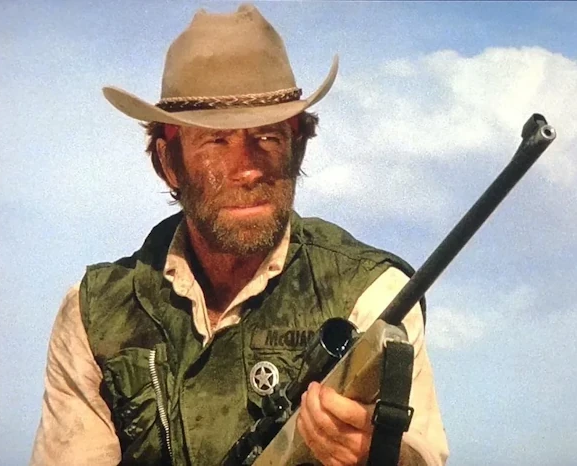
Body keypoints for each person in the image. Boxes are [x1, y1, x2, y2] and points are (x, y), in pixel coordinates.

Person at [30, 4, 449, 465]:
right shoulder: (96, 312)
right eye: (216, 141)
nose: (247, 169)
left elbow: (421, 454)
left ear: (296, 148)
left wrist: (378, 454)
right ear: (169, 163)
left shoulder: (372, 296)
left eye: (268, 137)